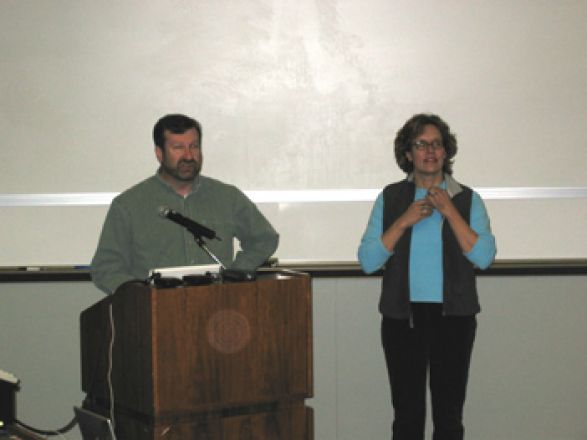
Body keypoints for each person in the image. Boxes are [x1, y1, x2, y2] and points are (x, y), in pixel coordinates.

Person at [358, 113, 496, 440]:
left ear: (446, 151)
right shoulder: (391, 198)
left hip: (454, 318)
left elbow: (484, 257)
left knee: (449, 417)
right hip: (402, 318)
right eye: (421, 144)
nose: (430, 151)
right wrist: (403, 221)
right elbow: (367, 261)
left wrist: (450, 211)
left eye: (437, 144)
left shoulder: (467, 199)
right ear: (408, 154)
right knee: (407, 416)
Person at [91, 114, 279, 294]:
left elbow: (264, 238)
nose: (189, 156)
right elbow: (106, 267)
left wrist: (235, 274)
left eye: (194, 146)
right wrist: (137, 293)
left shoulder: (227, 197)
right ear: (159, 153)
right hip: (155, 312)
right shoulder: (128, 205)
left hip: (219, 307)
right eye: (178, 147)